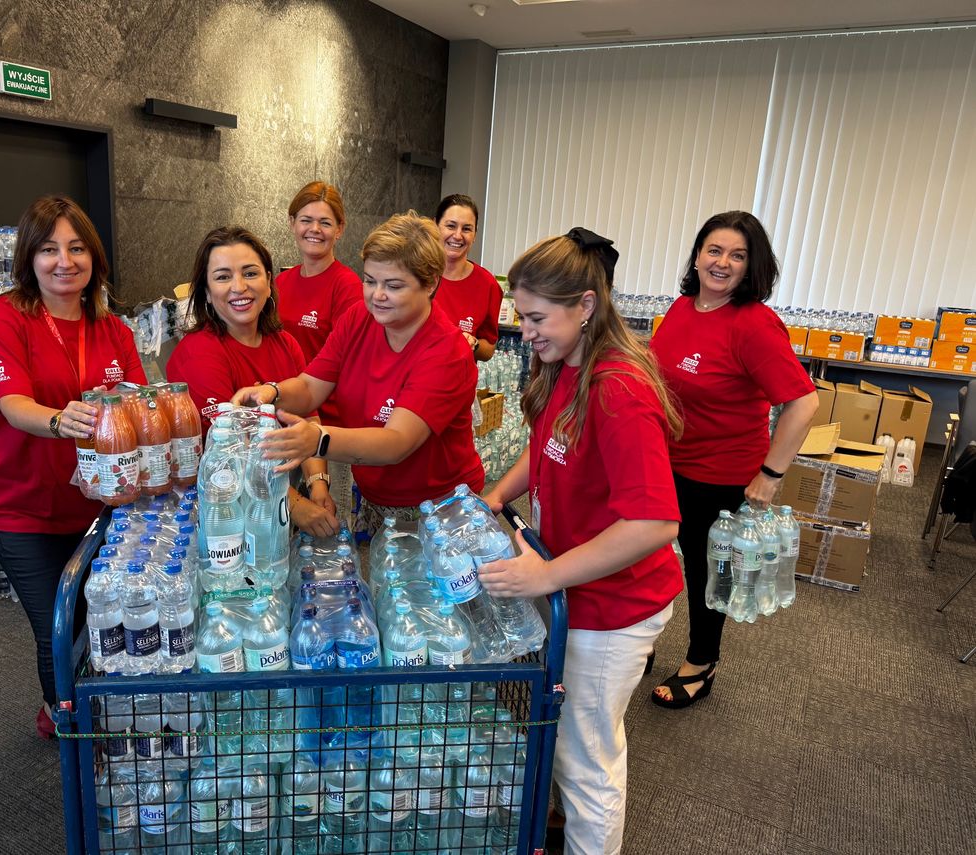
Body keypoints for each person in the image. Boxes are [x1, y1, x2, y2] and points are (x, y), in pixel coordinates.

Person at [477, 227, 684, 855]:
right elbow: (543, 451)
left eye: (538, 316)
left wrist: (545, 575)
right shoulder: (564, 364)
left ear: (586, 305)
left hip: (615, 606)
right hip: (575, 585)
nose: (526, 330)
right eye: (520, 315)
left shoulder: (617, 389)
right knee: (567, 738)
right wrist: (495, 495)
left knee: (587, 759)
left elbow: (654, 524)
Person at [0, 195, 147, 739]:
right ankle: (68, 725)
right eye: (49, 249)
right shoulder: (3, 317)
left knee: (101, 616)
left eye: (76, 248)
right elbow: (11, 404)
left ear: (94, 257)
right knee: (57, 622)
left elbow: (140, 401)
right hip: (23, 506)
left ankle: (83, 707)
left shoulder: (112, 327)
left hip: (100, 504)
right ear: (29, 258)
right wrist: (59, 421)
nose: (64, 261)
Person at [649, 210, 818, 708]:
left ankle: (702, 661)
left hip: (718, 476)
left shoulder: (754, 325)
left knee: (706, 575)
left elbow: (804, 403)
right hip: (666, 464)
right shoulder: (683, 308)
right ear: (698, 254)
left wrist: (770, 474)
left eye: (737, 256)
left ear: (751, 267)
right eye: (714, 250)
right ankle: (642, 636)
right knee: (648, 555)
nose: (722, 263)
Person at [232, 211, 484, 533]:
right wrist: (273, 391)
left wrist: (318, 440)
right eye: (370, 280)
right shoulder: (359, 318)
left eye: (393, 285)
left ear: (431, 283)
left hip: (440, 508)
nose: (377, 295)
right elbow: (311, 387)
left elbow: (396, 442)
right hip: (377, 495)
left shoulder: (446, 351)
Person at [165, 226, 338, 538]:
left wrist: (318, 484)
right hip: (229, 519)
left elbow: (307, 416)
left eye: (250, 273)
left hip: (281, 506)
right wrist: (297, 507)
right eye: (222, 277)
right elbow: (231, 452)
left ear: (269, 282)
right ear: (205, 291)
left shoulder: (286, 344)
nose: (239, 287)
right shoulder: (199, 353)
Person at [274, 181, 363, 527]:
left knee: (328, 524)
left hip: (328, 428)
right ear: (292, 222)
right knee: (282, 518)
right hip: (284, 421)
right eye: (306, 219)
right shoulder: (280, 284)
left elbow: (348, 363)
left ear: (339, 229)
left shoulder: (347, 286)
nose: (314, 229)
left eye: (325, 222)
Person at [433, 193, 503, 361]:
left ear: (475, 234)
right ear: (435, 226)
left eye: (466, 229)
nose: (457, 236)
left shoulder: (487, 285)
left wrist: (473, 344)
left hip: (460, 382)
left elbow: (488, 350)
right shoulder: (416, 274)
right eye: (451, 226)